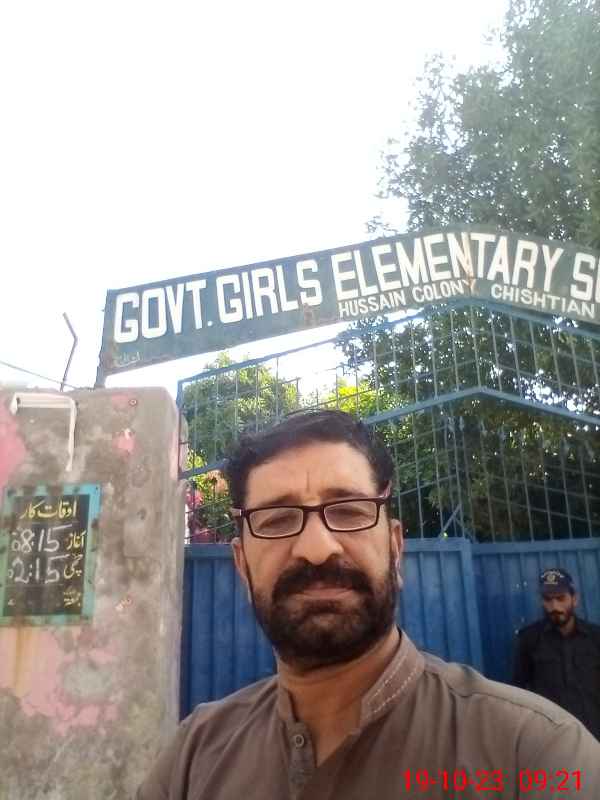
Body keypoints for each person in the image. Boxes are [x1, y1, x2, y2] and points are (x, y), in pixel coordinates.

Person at [138, 410, 600, 799]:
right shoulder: (191, 761)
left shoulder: (533, 753)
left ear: (395, 547)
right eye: (276, 520)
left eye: (349, 511)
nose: (316, 549)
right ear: (242, 564)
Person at [513, 567, 600, 741]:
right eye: (548, 600)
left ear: (574, 599)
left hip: (594, 735)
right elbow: (518, 689)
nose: (554, 607)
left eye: (561, 598)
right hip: (551, 738)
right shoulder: (530, 639)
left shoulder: (595, 637)